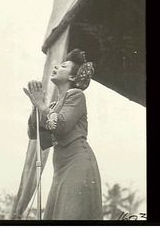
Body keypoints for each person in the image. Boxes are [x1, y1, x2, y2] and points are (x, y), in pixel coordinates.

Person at [23, 49, 103, 220]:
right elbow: (34, 134)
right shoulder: (52, 106)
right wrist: (36, 105)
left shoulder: (76, 95)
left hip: (77, 162)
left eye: (64, 66)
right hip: (61, 168)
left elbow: (61, 125)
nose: (57, 66)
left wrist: (41, 105)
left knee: (70, 216)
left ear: (72, 77)